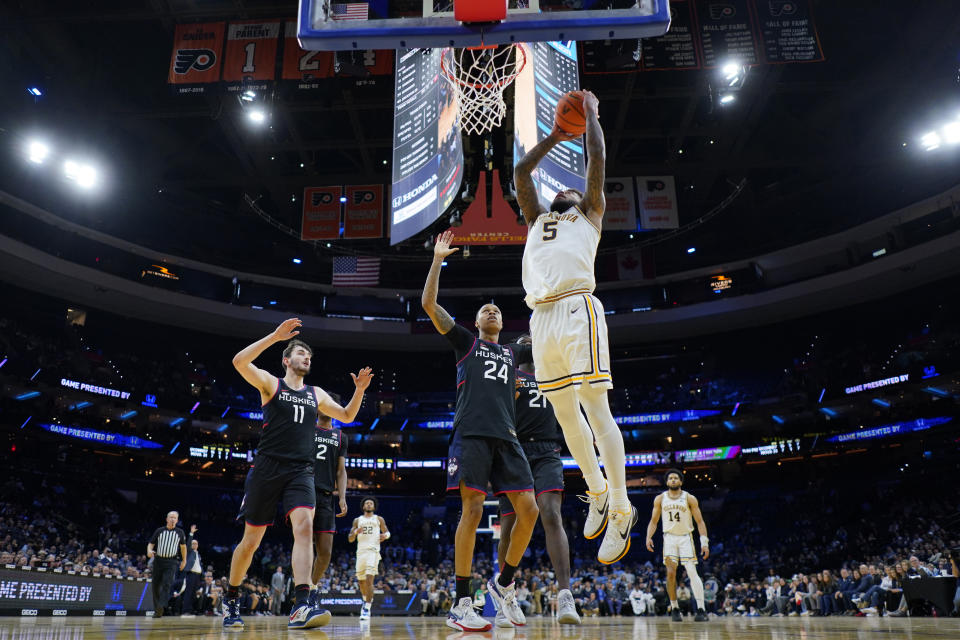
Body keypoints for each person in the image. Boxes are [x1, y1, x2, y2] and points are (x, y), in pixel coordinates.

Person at [515, 90, 636, 565]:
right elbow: (523, 173)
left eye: (573, 188)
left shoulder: (589, 213)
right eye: (559, 189)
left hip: (576, 309)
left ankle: (623, 508)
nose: (564, 188)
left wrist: (590, 117)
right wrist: (554, 135)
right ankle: (598, 490)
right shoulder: (536, 217)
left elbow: (598, 158)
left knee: (594, 404)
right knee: (565, 414)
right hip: (540, 316)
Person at [421, 230, 540, 632]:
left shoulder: (513, 353)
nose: (491, 311)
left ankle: (502, 584)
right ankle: (461, 601)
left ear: (504, 323)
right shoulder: (466, 344)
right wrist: (438, 259)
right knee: (471, 511)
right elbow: (429, 304)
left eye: (497, 310)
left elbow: (544, 336)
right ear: (476, 321)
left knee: (530, 510)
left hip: (508, 439)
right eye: (485, 310)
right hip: (471, 434)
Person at [225, 318, 373, 629]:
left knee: (304, 527)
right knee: (251, 541)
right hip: (267, 467)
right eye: (301, 353)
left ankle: (302, 603)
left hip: (301, 471)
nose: (307, 357)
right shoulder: (270, 383)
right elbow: (239, 361)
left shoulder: (316, 394)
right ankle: (232, 596)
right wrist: (275, 336)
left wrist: (358, 391)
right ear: (286, 359)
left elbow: (346, 415)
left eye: (309, 355)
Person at [496, 334, 579, 625]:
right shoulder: (507, 374)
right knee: (509, 524)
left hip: (546, 449)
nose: (531, 341)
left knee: (551, 514)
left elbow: (572, 412)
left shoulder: (555, 375)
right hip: (513, 448)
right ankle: (506, 598)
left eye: (535, 338)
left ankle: (566, 595)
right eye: (524, 340)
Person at [645, 469, 710, 622]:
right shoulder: (660, 499)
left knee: (692, 572)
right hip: (669, 539)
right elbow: (654, 521)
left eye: (676, 478)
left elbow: (700, 522)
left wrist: (704, 543)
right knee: (670, 573)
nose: (673, 480)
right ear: (667, 482)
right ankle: (674, 608)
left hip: (685, 538)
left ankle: (701, 609)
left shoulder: (690, 498)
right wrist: (648, 537)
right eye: (670, 478)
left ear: (681, 482)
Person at [310, 396, 349, 607]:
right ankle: (302, 592)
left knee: (325, 552)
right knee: (304, 545)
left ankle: (312, 586)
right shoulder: (307, 429)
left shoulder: (341, 436)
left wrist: (342, 496)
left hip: (326, 497)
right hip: (304, 493)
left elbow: (341, 470)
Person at [348, 497, 389, 621]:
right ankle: (365, 600)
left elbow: (387, 532)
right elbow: (350, 539)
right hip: (361, 552)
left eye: (371, 503)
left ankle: (367, 607)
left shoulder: (378, 519)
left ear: (374, 507)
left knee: (369, 579)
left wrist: (385, 536)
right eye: (367, 503)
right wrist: (355, 532)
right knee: (361, 582)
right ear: (363, 506)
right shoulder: (357, 520)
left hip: (373, 551)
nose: (369, 505)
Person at [147, 511, 187, 618]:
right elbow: (151, 544)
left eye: (175, 518)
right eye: (171, 517)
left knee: (167, 583)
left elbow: (183, 548)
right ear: (167, 519)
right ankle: (158, 609)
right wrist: (149, 551)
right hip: (158, 560)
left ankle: (161, 606)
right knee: (155, 585)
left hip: (172, 561)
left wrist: (184, 561)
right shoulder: (159, 531)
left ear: (177, 520)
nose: (173, 519)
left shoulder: (180, 532)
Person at [183, 525, 203, 616]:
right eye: (193, 543)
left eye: (196, 544)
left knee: (194, 594)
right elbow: (188, 543)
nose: (194, 545)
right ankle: (185, 610)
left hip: (197, 576)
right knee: (188, 592)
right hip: (191, 574)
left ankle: (191, 610)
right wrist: (191, 533)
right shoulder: (189, 551)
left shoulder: (198, 554)